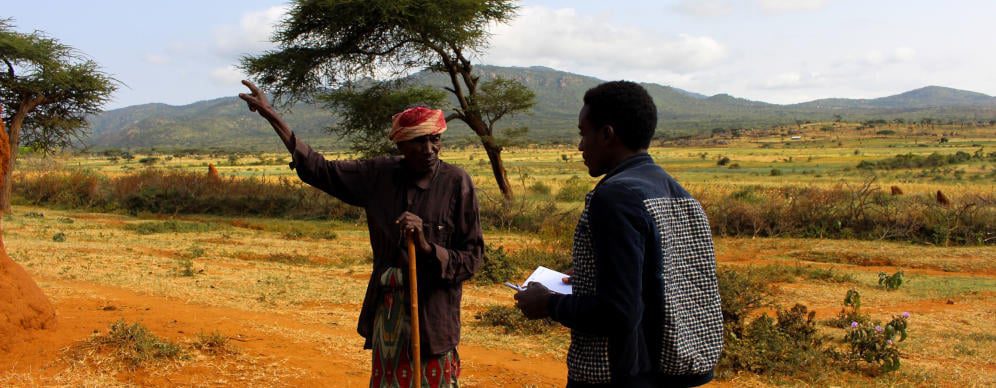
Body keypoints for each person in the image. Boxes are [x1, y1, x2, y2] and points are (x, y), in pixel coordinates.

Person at [240, 80, 483, 388]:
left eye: (434, 140)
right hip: (389, 314)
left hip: (435, 317)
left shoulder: (457, 183)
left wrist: (426, 247)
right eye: (419, 142)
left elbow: (473, 259)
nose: (430, 149)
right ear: (400, 146)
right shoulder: (378, 175)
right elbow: (320, 170)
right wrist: (272, 115)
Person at [514, 81, 723, 387]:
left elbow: (619, 312)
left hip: (620, 374)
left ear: (607, 135)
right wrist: (593, 275)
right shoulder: (675, 191)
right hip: (668, 368)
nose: (580, 145)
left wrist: (547, 303)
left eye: (584, 133)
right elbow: (659, 276)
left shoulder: (614, 196)